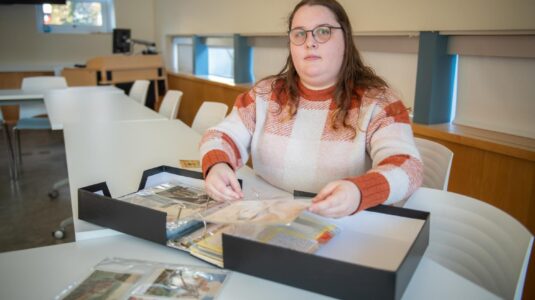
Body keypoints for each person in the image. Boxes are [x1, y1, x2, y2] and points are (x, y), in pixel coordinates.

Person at [199, 0, 423, 218]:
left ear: (345, 39)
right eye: (299, 34)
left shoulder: (379, 102)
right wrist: (217, 164)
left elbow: (408, 167)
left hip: (344, 221)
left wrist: (358, 192)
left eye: (323, 31)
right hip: (265, 213)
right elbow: (221, 135)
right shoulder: (265, 94)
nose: (310, 42)